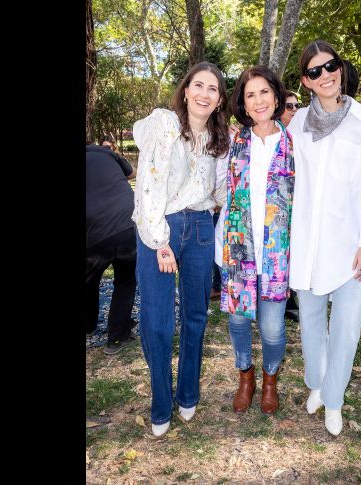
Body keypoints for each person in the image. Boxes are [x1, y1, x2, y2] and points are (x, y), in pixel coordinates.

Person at [286, 40, 361, 436]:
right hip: (307, 243)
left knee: (346, 326)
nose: (325, 75)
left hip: (350, 246)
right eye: (315, 71)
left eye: (330, 66)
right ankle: (317, 383)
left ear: (340, 69)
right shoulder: (296, 126)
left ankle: (334, 398)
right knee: (311, 320)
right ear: (305, 82)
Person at [132, 61, 231, 437]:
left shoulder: (218, 141)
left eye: (213, 89)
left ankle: (188, 391)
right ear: (186, 90)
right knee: (158, 321)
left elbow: (220, 192)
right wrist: (160, 241)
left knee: (195, 316)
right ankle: (161, 402)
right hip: (161, 227)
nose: (205, 94)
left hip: (202, 228)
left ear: (219, 100)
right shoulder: (165, 125)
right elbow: (148, 184)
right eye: (199, 86)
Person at [214, 65, 294, 415]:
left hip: (278, 252)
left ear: (276, 96)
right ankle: (245, 377)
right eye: (250, 95)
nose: (258, 100)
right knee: (237, 321)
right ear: (242, 104)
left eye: (264, 92)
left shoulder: (295, 142)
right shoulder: (233, 142)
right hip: (236, 249)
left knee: (274, 328)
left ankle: (271, 379)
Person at [86, 143, 138, 355]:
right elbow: (133, 173)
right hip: (128, 223)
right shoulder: (106, 153)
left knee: (89, 280)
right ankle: (117, 337)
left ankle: (88, 326)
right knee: (125, 281)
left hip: (94, 232)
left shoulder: (103, 153)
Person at [278, 90, 303, 323]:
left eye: (297, 105)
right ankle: (285, 301)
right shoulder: (275, 136)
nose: (294, 110)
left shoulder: (302, 135)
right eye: (289, 106)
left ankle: (292, 297)